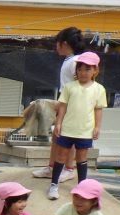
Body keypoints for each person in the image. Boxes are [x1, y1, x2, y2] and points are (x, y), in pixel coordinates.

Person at [49, 51, 107, 200]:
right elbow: (62, 106)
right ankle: (54, 185)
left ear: (95, 70)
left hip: (85, 131)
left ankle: (82, 187)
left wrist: (97, 127)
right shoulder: (69, 86)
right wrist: (59, 123)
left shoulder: (99, 89)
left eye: (87, 69)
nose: (83, 72)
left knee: (81, 158)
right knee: (61, 156)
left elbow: (98, 109)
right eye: (79, 69)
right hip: (67, 129)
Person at [34, 26, 87, 183]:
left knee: (68, 139)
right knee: (57, 137)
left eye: (57, 43)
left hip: (72, 107)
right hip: (64, 104)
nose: (56, 47)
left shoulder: (76, 62)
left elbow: (80, 87)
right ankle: (51, 167)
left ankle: (69, 169)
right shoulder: (69, 60)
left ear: (63, 43)